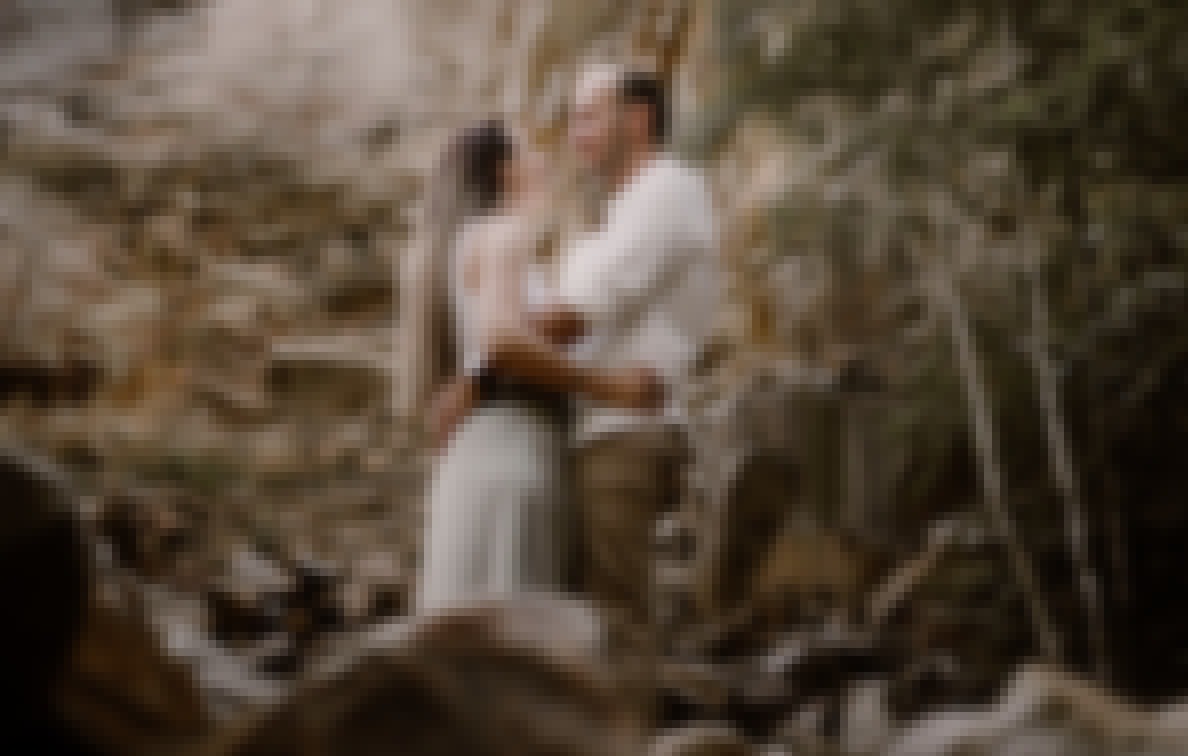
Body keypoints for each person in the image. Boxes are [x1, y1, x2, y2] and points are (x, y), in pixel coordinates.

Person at [430, 65, 721, 727]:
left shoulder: (667, 191)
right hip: (585, 433)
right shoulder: (610, 219)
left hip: (623, 432)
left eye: (589, 115)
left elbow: (575, 316)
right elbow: (536, 328)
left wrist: (488, 357)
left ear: (638, 119)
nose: (573, 134)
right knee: (583, 620)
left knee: (614, 620)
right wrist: (486, 367)